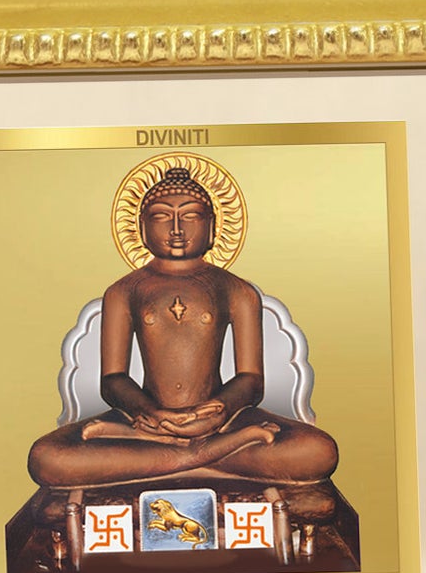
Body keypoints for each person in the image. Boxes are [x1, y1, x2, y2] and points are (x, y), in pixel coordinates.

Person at [26, 167, 339, 489]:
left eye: (190, 216)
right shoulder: (123, 291)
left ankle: (169, 461)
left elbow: (251, 379)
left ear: (212, 227)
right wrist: (150, 412)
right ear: (142, 228)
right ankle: (205, 459)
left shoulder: (237, 290)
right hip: (145, 423)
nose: (176, 229)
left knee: (317, 451)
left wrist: (219, 410)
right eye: (162, 217)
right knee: (47, 457)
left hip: (221, 422)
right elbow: (113, 379)